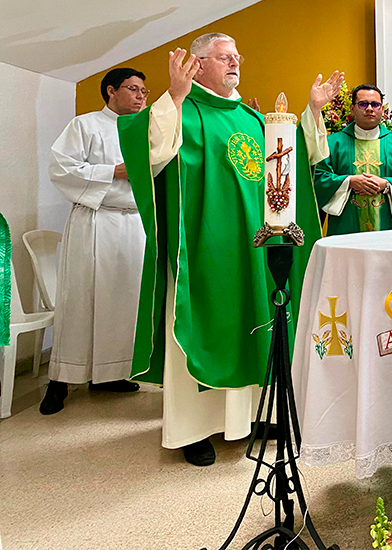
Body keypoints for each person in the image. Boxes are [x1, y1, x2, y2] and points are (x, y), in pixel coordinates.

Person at [117, 32, 343, 466]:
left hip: (253, 242)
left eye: (237, 57)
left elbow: (292, 156)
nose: (235, 63)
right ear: (197, 64)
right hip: (204, 244)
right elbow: (149, 153)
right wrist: (175, 97)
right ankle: (192, 429)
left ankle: (251, 418)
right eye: (224, 57)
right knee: (208, 321)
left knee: (253, 319)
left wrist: (313, 111)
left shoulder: (252, 118)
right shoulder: (182, 109)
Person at [41, 68, 149, 415]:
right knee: (81, 300)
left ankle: (110, 374)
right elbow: (60, 169)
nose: (140, 96)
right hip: (95, 219)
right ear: (110, 91)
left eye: (144, 91)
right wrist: (112, 172)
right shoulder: (84, 125)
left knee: (125, 301)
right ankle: (59, 381)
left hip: (134, 224)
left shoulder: (146, 129)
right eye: (133, 89)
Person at [315, 84, 392, 234]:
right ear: (352, 109)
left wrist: (386, 184)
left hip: (389, 231)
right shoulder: (333, 143)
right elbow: (318, 179)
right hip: (346, 230)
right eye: (363, 104)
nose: (369, 109)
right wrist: (349, 182)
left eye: (375, 104)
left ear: (382, 110)